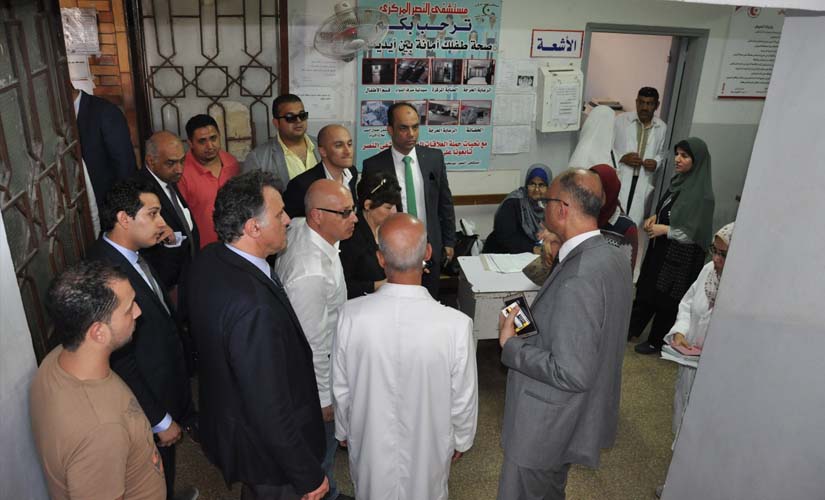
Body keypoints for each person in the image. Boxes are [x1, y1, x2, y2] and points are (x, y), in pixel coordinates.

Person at [187, 171, 328, 500]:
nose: (288, 220)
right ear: (253, 228)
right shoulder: (254, 307)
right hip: (268, 456)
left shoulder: (210, 258)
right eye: (279, 214)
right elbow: (269, 406)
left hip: (234, 426)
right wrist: (306, 474)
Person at [497, 169, 633, 500]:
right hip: (575, 417)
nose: (542, 207)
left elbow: (571, 371)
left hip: (544, 424)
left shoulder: (579, 276)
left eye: (546, 201)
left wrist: (511, 345)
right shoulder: (613, 254)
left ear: (562, 208)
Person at [333, 213, 478, 500]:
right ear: (427, 253)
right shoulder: (456, 325)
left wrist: (343, 429)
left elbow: (341, 386)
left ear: (380, 258)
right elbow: (463, 396)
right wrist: (462, 438)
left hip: (370, 444)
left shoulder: (349, 315)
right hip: (429, 447)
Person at [87, 179, 197, 500]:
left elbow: (158, 295)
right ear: (124, 218)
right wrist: (158, 419)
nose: (161, 222)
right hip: (145, 403)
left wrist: (172, 245)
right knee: (150, 477)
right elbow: (120, 360)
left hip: (165, 385)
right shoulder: (103, 272)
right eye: (152, 214)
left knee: (163, 472)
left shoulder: (131, 253)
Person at [30, 261, 165, 500]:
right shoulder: (100, 432)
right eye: (128, 309)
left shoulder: (56, 359)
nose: (138, 311)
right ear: (98, 332)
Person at [274, 179, 357, 500]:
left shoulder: (301, 228)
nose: (354, 218)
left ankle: (329, 491)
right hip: (315, 379)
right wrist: (324, 399)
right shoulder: (310, 273)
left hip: (324, 361)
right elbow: (313, 344)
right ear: (317, 216)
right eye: (345, 212)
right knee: (319, 448)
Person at [628, 137, 715, 354]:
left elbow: (692, 233)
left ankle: (656, 341)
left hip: (681, 256)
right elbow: (669, 210)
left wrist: (665, 230)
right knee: (647, 288)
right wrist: (655, 217)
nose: (677, 159)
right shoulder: (678, 182)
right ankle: (631, 329)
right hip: (662, 249)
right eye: (677, 154)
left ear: (697, 161)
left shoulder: (703, 195)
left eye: (684, 156)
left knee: (666, 298)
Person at [362, 101, 456, 298]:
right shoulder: (374, 165)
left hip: (429, 248)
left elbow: (444, 202)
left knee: (429, 302)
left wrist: (449, 241)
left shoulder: (434, 158)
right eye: (403, 128)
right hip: (392, 253)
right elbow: (369, 214)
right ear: (390, 130)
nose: (411, 134)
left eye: (415, 127)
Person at [664, 222, 734, 435]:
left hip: (716, 377)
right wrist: (680, 332)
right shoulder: (708, 271)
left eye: (724, 254)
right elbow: (688, 304)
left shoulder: (741, 292)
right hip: (689, 365)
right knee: (681, 422)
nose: (716, 259)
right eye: (714, 250)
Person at [613, 87, 668, 275]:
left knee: (634, 224)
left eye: (649, 103)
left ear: (656, 105)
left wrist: (656, 162)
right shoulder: (621, 121)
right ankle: (613, 261)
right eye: (642, 102)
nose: (645, 107)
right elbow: (610, 148)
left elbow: (662, 153)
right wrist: (622, 158)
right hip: (623, 177)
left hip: (643, 180)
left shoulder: (662, 127)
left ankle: (628, 268)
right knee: (617, 218)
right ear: (636, 102)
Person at [137, 131, 200, 292]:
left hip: (187, 277)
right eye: (171, 163)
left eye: (182, 161)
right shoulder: (141, 190)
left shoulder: (168, 180)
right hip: (168, 284)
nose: (179, 169)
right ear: (151, 161)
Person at [74, 87, 138, 231]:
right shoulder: (55, 118)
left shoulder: (104, 112)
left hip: (108, 212)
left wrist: (122, 213)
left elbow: (125, 167)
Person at [178, 114, 240, 248]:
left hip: (235, 245)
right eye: (202, 141)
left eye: (213, 138)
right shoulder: (181, 173)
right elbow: (179, 219)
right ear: (190, 143)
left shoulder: (231, 162)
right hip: (201, 249)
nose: (210, 146)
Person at [338, 171, 401, 298]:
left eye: (395, 206)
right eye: (388, 208)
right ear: (368, 205)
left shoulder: (391, 230)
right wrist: (381, 285)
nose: (394, 212)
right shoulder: (350, 236)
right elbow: (344, 286)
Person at [242, 94, 320, 191]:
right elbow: (250, 196)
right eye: (290, 117)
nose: (298, 121)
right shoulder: (258, 158)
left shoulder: (322, 145)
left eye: (302, 115)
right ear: (276, 123)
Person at [283, 124, 358, 218]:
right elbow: (288, 222)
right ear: (323, 151)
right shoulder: (302, 185)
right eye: (339, 146)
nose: (348, 151)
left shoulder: (352, 172)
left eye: (349, 144)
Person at [482, 164, 553, 254]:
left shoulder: (551, 204)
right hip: (502, 253)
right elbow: (505, 236)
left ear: (548, 187)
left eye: (541, 185)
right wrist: (533, 249)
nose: (536, 189)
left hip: (534, 254)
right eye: (532, 184)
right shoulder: (513, 202)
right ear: (526, 185)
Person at [590, 164, 639, 271]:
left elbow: (625, 273)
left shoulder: (626, 228)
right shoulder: (582, 216)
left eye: (597, 189)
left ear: (610, 191)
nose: (591, 194)